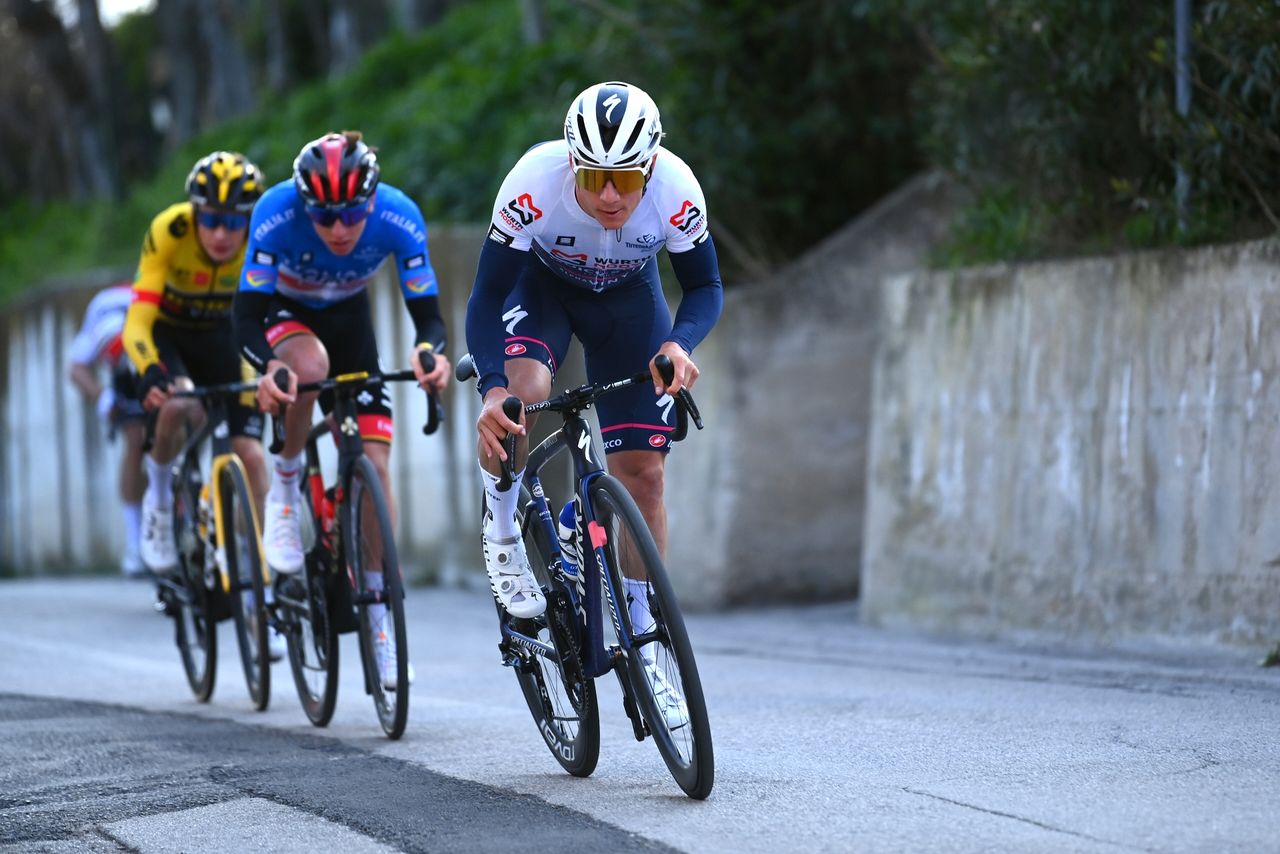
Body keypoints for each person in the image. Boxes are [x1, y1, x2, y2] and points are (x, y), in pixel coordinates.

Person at [464, 81, 724, 723]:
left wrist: (679, 344)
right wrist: (493, 388)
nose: (610, 195)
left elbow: (706, 286)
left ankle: (643, 635)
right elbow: (484, 297)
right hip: (542, 288)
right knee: (525, 395)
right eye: (596, 176)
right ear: (573, 163)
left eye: (626, 180)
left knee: (646, 478)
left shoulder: (676, 189)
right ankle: (501, 528)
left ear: (651, 167)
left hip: (629, 304)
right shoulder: (533, 180)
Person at [235, 130, 451, 690]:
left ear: (372, 200)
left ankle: (378, 612)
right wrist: (266, 367)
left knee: (375, 467)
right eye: (325, 215)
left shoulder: (399, 216)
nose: (338, 228)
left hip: (350, 322)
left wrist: (430, 353)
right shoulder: (276, 212)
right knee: (306, 367)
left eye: (351, 214)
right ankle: (284, 487)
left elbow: (428, 317)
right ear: (304, 203)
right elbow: (246, 315)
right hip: (284, 315)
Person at [122, 151, 281, 655]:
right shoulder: (169, 231)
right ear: (194, 214)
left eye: (232, 222)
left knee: (252, 455)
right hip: (171, 339)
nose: (220, 234)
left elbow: (270, 315)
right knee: (178, 404)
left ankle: (260, 586)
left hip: (226, 339)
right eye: (209, 220)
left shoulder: (261, 238)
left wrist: (266, 372)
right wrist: (150, 369)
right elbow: (139, 318)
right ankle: (162, 499)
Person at [68, 282, 148, 578]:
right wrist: (102, 395)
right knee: (135, 440)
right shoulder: (104, 309)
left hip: (163, 354)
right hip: (126, 374)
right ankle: (134, 544)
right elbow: (77, 368)